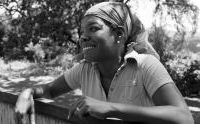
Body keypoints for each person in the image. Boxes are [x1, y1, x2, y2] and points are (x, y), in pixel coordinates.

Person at [15, 2, 194, 124]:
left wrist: (110, 108)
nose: (83, 37)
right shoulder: (84, 69)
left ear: (119, 34)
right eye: (82, 31)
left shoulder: (145, 66)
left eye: (93, 28)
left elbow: (184, 117)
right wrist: (27, 93)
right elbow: (50, 90)